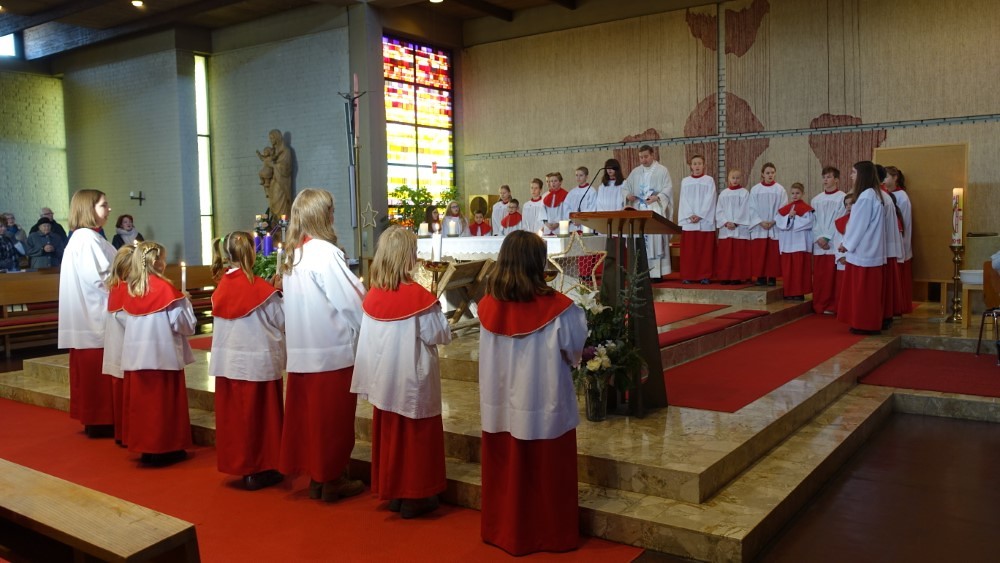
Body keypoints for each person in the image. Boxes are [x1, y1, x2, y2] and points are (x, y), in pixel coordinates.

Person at [477, 231, 587, 556]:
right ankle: (550, 535)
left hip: (500, 407)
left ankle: (504, 530)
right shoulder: (560, 309)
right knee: (547, 475)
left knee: (505, 473)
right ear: (537, 264)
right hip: (544, 404)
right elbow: (574, 350)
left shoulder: (486, 307)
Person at [352, 226, 452, 519]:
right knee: (415, 438)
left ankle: (395, 492)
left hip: (385, 381)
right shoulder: (418, 299)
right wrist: (434, 303)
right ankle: (415, 496)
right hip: (411, 382)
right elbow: (440, 334)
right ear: (408, 258)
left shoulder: (373, 296)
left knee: (392, 437)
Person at [279, 188, 366, 502]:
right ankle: (333, 480)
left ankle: (318, 477)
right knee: (333, 422)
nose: (333, 216)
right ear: (321, 215)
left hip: (303, 351)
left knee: (313, 423)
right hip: (331, 352)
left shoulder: (294, 254)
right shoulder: (325, 253)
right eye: (331, 210)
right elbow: (351, 301)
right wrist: (372, 322)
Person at [209, 231, 286, 490]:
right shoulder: (258, 288)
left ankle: (242, 466)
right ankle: (260, 469)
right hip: (256, 364)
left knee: (236, 420)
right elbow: (282, 320)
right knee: (259, 419)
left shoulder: (221, 288)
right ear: (252, 253)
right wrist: (278, 293)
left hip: (230, 366)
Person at [121, 241, 195, 465]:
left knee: (144, 408)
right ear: (157, 262)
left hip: (137, 359)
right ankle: (165, 449)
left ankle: (147, 449)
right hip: (162, 358)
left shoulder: (133, 290)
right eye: (163, 258)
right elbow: (185, 325)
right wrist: (186, 302)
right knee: (163, 407)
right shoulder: (166, 291)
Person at [57, 189, 117, 438]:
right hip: (95, 318)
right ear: (88, 209)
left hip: (89, 317)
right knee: (97, 371)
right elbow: (102, 279)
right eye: (104, 205)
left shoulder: (87, 237)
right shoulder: (87, 240)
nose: (109, 209)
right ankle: (101, 420)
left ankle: (97, 419)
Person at [838, 161, 887, 335]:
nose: (851, 176)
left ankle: (864, 324)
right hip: (871, 248)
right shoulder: (874, 193)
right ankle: (865, 322)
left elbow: (859, 224)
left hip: (864, 250)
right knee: (868, 292)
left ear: (862, 175)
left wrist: (846, 244)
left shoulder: (866, 196)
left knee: (863, 291)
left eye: (854, 172)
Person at [624, 145, 674, 279]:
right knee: (639, 242)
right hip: (639, 210)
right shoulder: (635, 172)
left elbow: (668, 188)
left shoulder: (662, 170)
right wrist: (628, 195)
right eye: (641, 157)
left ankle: (656, 274)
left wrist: (657, 197)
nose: (643, 160)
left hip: (654, 210)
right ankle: (641, 273)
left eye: (646, 156)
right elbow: (625, 187)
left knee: (655, 241)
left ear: (652, 155)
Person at [101, 245, 135, 446]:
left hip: (118, 352)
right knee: (127, 398)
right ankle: (128, 435)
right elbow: (131, 322)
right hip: (125, 353)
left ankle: (123, 434)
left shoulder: (116, 288)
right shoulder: (125, 291)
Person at [810, 167, 846, 315]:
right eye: (824, 177)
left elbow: (840, 220)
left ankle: (832, 305)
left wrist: (827, 237)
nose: (825, 180)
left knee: (832, 276)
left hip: (833, 241)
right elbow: (813, 221)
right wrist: (819, 237)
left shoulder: (842, 198)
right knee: (820, 276)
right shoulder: (816, 200)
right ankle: (819, 304)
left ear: (836, 180)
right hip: (819, 243)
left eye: (829, 177)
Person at [678, 155, 716, 284]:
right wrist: (690, 214)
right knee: (690, 251)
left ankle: (704, 275)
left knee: (704, 250)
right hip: (689, 221)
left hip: (704, 220)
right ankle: (688, 274)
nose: (697, 166)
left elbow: (710, 198)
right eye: (695, 163)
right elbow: (683, 199)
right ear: (691, 166)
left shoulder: (709, 180)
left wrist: (700, 214)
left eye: (700, 163)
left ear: (704, 165)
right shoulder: (685, 181)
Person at [748, 162, 787, 286]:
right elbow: (751, 208)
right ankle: (760, 277)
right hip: (760, 227)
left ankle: (772, 277)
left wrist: (774, 221)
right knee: (760, 253)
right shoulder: (755, 190)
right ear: (762, 174)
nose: (770, 175)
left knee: (772, 254)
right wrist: (760, 222)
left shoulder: (780, 190)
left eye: (772, 173)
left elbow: (783, 207)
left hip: (774, 226)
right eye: (768, 173)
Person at [774, 183, 814, 301]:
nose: (795, 195)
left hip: (800, 243)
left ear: (802, 194)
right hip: (787, 243)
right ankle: (789, 292)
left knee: (798, 270)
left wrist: (795, 217)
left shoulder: (807, 209)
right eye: (792, 193)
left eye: (797, 193)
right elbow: (779, 222)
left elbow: (809, 223)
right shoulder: (785, 209)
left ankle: (799, 292)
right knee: (788, 270)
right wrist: (789, 217)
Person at [885, 166, 913, 315]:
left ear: (895, 178)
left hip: (899, 242)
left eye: (886, 176)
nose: (883, 180)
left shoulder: (902, 196)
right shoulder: (885, 194)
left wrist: (902, 243)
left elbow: (904, 222)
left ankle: (899, 306)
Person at [715, 168, 752, 285]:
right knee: (726, 255)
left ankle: (737, 276)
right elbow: (719, 210)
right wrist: (726, 222)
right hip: (726, 229)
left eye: (737, 178)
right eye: (733, 178)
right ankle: (725, 276)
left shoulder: (745, 193)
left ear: (741, 179)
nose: (735, 180)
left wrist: (736, 223)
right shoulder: (723, 194)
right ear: (728, 179)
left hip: (739, 228)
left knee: (738, 255)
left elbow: (746, 209)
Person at [263, 129, 292, 220]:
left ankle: (283, 223)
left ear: (277, 138)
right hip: (274, 180)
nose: (271, 140)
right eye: (270, 138)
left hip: (281, 183)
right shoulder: (273, 151)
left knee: (279, 202)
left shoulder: (286, 151)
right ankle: (275, 222)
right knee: (273, 202)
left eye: (272, 138)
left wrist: (273, 165)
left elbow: (286, 169)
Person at [832, 193, 854, 313]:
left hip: (854, 259)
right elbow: (837, 240)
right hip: (843, 259)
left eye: (851, 203)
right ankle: (842, 310)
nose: (849, 206)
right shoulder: (840, 222)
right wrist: (841, 256)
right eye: (846, 204)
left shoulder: (861, 221)